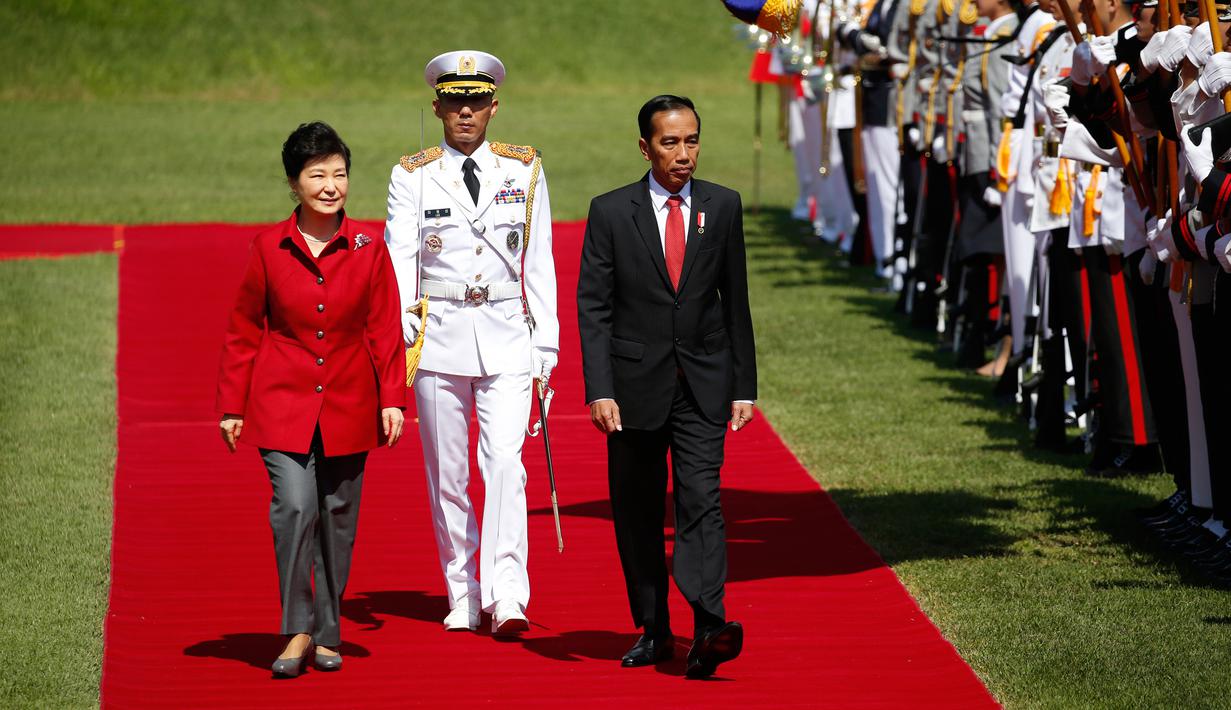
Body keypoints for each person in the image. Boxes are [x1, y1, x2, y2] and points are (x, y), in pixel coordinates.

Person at [215, 121, 406, 677]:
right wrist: (233, 405)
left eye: (339, 173)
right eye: (316, 174)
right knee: (295, 506)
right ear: (294, 183)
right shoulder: (267, 247)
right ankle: (297, 630)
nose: (330, 185)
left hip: (351, 401)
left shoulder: (370, 249)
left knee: (337, 515)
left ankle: (328, 630)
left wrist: (391, 398)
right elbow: (244, 328)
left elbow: (384, 329)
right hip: (280, 402)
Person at [577, 95, 757, 679]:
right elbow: (594, 308)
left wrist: (744, 387)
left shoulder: (723, 206)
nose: (684, 155)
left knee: (701, 498)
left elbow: (737, 302)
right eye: (670, 143)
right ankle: (654, 630)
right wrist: (599, 389)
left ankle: (709, 626)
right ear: (645, 147)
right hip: (630, 389)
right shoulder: (610, 212)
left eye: (692, 141)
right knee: (636, 511)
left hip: (704, 383)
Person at [384, 50, 558, 635]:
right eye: (455, 100)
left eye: (477, 100)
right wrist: (403, 321)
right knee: (447, 474)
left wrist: (547, 347)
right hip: (439, 335)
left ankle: (507, 593)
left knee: (506, 465)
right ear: (436, 107)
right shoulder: (413, 173)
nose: (466, 111)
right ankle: (463, 589)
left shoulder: (525, 169)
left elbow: (540, 264)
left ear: (493, 105)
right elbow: (399, 255)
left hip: (509, 333)